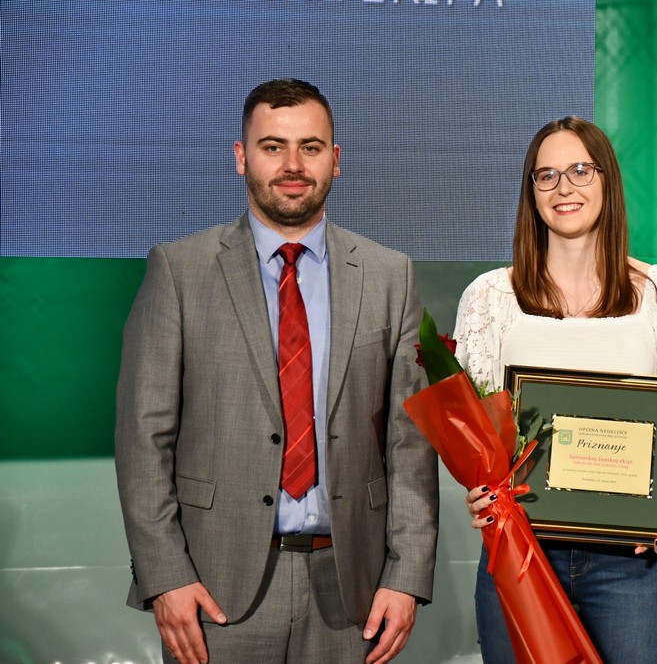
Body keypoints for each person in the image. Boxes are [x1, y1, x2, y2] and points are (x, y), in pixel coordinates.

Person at [114, 78, 439, 664]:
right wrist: (164, 576)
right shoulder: (180, 271)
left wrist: (407, 574)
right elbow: (144, 438)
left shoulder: (391, 276)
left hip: (353, 593)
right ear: (241, 158)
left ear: (336, 161)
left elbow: (410, 442)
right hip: (214, 594)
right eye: (272, 146)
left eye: (311, 147)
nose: (292, 165)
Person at [455, 116, 657, 663]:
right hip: (519, 553)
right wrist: (480, 485)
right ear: (530, 192)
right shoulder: (488, 299)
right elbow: (476, 439)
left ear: (607, 182)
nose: (563, 188)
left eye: (579, 170)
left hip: (632, 565)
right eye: (545, 176)